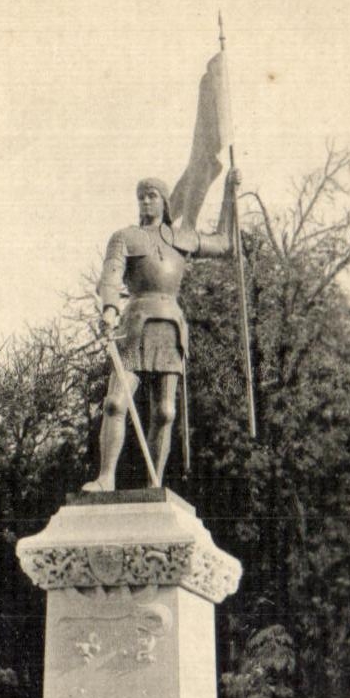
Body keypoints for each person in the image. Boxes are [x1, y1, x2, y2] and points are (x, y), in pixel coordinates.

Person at [83, 170, 240, 491]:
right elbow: (110, 277)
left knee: (165, 412)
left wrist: (229, 194)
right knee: (115, 402)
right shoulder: (124, 237)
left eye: (152, 195)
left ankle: (154, 483)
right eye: (141, 195)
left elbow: (225, 245)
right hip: (135, 322)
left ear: (165, 201)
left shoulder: (181, 237)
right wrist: (110, 308)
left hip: (170, 325)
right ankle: (105, 477)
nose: (145, 200)